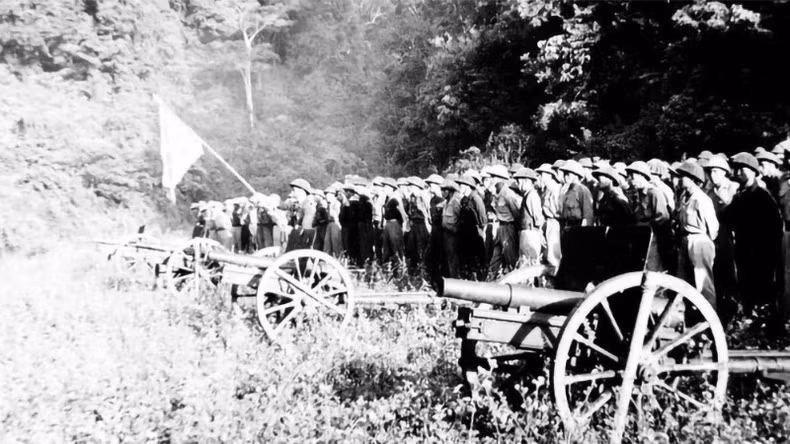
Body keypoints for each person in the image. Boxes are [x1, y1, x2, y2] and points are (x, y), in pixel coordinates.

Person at [723, 152, 784, 330]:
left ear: (752, 171)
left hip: (761, 253)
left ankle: (769, 326)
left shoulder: (762, 196)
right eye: (737, 168)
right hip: (744, 250)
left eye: (743, 168)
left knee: (763, 289)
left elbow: (775, 226)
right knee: (746, 288)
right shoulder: (741, 194)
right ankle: (751, 324)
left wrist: (765, 250)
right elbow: (727, 216)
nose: (738, 172)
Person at [676, 161, 719, 308]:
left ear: (693, 179)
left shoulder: (702, 199)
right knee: (684, 280)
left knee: (702, 281)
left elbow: (713, 227)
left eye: (683, 176)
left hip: (699, 240)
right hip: (685, 239)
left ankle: (709, 317)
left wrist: (706, 242)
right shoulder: (684, 198)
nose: (680, 179)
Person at [702, 155, 739, 316]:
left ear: (724, 172)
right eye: (710, 172)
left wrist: (725, 200)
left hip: (731, 234)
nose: (713, 175)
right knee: (716, 272)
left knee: (732, 271)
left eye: (716, 171)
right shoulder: (708, 191)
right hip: (713, 235)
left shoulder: (733, 187)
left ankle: (733, 306)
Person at [626, 161, 672, 272]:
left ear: (642, 176)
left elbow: (663, 217)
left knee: (652, 268)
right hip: (643, 236)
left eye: (632, 177)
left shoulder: (654, 193)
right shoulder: (638, 194)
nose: (630, 180)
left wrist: (647, 225)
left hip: (654, 237)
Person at [513, 167, 544, 264]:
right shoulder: (527, 195)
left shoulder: (532, 195)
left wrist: (540, 233)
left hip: (530, 232)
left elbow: (538, 217)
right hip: (526, 231)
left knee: (530, 260)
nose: (518, 185)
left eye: (519, 182)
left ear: (526, 181)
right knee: (524, 259)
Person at [536, 163, 562, 269]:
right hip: (547, 221)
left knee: (553, 254)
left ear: (549, 175)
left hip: (553, 221)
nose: (540, 177)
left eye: (542, 174)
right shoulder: (546, 189)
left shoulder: (554, 189)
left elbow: (557, 209)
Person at [285, 178, 317, 252]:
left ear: (301, 191)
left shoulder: (309, 203)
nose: (292, 194)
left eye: (294, 191)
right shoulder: (303, 203)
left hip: (306, 232)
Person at [441, 178, 462, 278]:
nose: (442, 193)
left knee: (453, 258)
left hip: (452, 234)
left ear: (449, 191)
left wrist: (456, 230)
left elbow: (459, 217)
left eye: (444, 191)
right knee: (448, 257)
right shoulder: (446, 202)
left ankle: (454, 278)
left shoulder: (455, 202)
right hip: (446, 233)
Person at [381, 178, 406, 263]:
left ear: (391, 188)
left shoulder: (396, 198)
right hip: (388, 224)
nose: (384, 189)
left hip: (394, 225)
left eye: (386, 187)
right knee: (387, 247)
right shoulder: (389, 198)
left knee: (396, 246)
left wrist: (404, 225)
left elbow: (402, 212)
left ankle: (400, 266)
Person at [323, 184, 344, 258]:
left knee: (336, 243)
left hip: (335, 224)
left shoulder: (336, 203)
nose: (326, 196)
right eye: (326, 194)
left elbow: (337, 216)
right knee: (327, 243)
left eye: (328, 194)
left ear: (333, 195)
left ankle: (338, 258)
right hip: (329, 224)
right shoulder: (328, 205)